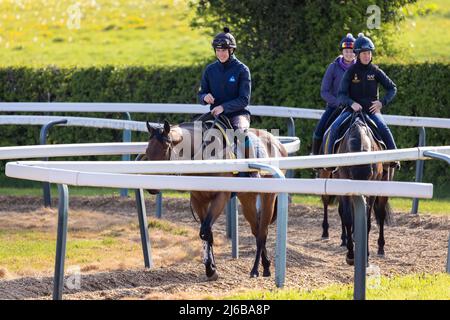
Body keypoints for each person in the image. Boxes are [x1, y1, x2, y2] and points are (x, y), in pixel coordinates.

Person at [326, 32, 399, 168]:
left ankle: (394, 158)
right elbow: (341, 95)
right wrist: (351, 103)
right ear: (358, 54)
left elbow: (392, 88)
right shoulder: (351, 71)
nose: (367, 56)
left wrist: (382, 102)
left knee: (384, 127)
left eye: (369, 53)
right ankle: (330, 162)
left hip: (372, 111)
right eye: (364, 53)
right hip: (351, 110)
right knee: (334, 127)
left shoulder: (376, 71)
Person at [311, 33, 356, 155]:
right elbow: (324, 91)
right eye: (346, 51)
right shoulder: (333, 67)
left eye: (352, 51)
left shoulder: (359, 68)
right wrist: (338, 103)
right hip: (335, 107)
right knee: (319, 130)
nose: (349, 53)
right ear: (342, 51)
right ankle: (315, 158)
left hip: (355, 107)